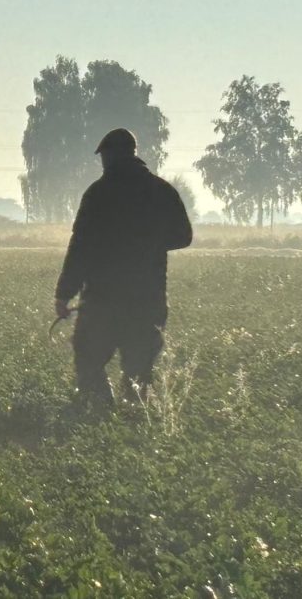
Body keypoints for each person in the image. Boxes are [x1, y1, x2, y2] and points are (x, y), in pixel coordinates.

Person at [55, 128, 192, 407]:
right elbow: (184, 236)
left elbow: (80, 247)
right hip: (148, 298)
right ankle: (136, 419)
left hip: (102, 299)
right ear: (132, 153)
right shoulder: (162, 190)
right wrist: (149, 244)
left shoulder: (98, 193)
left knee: (89, 360)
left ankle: (98, 413)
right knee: (139, 371)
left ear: (109, 156)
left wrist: (64, 294)